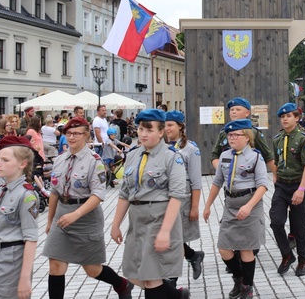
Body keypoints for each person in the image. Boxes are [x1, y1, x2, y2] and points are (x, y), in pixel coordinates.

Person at [42, 117, 133, 299]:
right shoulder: (60, 160)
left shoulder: (94, 161)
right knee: (56, 265)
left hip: (86, 218)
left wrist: (76, 215)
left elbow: (98, 195)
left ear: (86, 136)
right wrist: (50, 220)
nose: (72, 137)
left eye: (77, 133)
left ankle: (122, 284)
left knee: (92, 269)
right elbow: (54, 192)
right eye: (69, 133)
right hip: (62, 216)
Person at [110, 109, 189, 298]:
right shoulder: (134, 155)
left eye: (149, 130)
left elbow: (176, 197)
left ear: (161, 132)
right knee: (137, 276)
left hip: (158, 218)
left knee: (151, 278)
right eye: (140, 129)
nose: (143, 134)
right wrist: (115, 225)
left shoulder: (172, 157)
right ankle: (177, 296)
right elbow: (124, 193)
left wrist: (164, 231)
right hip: (137, 221)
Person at [203, 119, 269, 299]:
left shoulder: (256, 157)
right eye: (229, 135)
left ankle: (247, 287)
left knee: (246, 249)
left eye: (235, 135)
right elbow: (217, 182)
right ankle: (239, 278)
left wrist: (249, 206)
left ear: (247, 137)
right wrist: (207, 205)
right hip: (231, 205)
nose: (231, 138)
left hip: (250, 204)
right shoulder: (225, 156)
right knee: (224, 248)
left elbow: (263, 185)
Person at [270, 103, 305, 277]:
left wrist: (302, 189)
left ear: (296, 118)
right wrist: (275, 176)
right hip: (281, 185)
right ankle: (287, 254)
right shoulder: (277, 139)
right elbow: (275, 159)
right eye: (282, 116)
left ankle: (303, 259)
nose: (285, 119)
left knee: (300, 225)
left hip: (297, 184)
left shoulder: (303, 138)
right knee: (276, 221)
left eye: (289, 116)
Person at [164, 111, 205, 282]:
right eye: (164, 125)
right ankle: (193, 255)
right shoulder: (161, 146)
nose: (166, 129)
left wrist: (194, 207)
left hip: (183, 200)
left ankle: (172, 281)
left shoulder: (191, 149)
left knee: (174, 239)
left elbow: (196, 182)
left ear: (180, 126)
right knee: (170, 238)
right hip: (165, 198)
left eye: (170, 125)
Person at [0, 135, 38, 299]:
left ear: (22, 164)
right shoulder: (2, 188)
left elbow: (31, 238)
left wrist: (24, 278)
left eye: (5, 160)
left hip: (11, 264)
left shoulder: (27, 195)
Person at [211, 97, 275, 177]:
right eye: (232, 110)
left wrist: (276, 176)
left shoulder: (253, 132)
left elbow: (268, 156)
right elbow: (215, 155)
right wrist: (222, 170)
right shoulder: (224, 133)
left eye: (238, 110)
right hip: (229, 178)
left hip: (248, 177)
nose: (234, 112)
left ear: (247, 113)